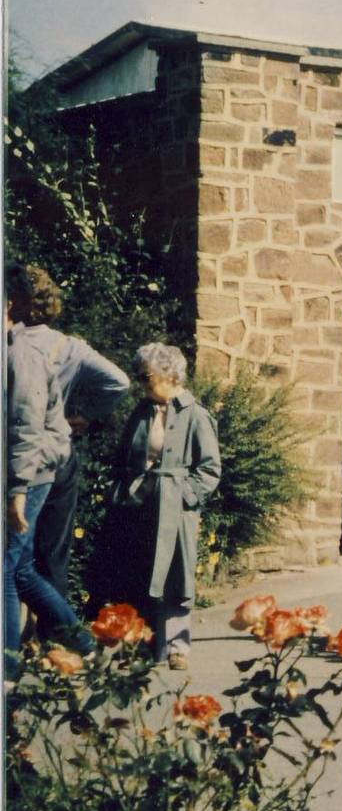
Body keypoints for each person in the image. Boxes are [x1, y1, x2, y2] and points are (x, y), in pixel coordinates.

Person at [7, 265, 131, 600]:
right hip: (59, 455)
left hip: (23, 459)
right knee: (52, 557)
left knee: (14, 561)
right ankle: (56, 631)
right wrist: (83, 414)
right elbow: (119, 382)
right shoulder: (69, 348)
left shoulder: (13, 343)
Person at [106, 344, 221, 669]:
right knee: (140, 574)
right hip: (140, 506)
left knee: (176, 577)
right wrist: (124, 491)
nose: (141, 383)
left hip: (176, 509)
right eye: (140, 376)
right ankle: (143, 648)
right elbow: (124, 457)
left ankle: (177, 648)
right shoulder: (142, 411)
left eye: (147, 376)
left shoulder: (195, 414)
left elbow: (210, 468)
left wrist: (185, 496)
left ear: (169, 375)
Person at [5, 301, 97, 677]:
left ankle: (7, 672)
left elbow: (26, 430)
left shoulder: (21, 356)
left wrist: (17, 491)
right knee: (21, 569)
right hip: (20, 474)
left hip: (28, 476)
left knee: (5, 568)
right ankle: (85, 643)